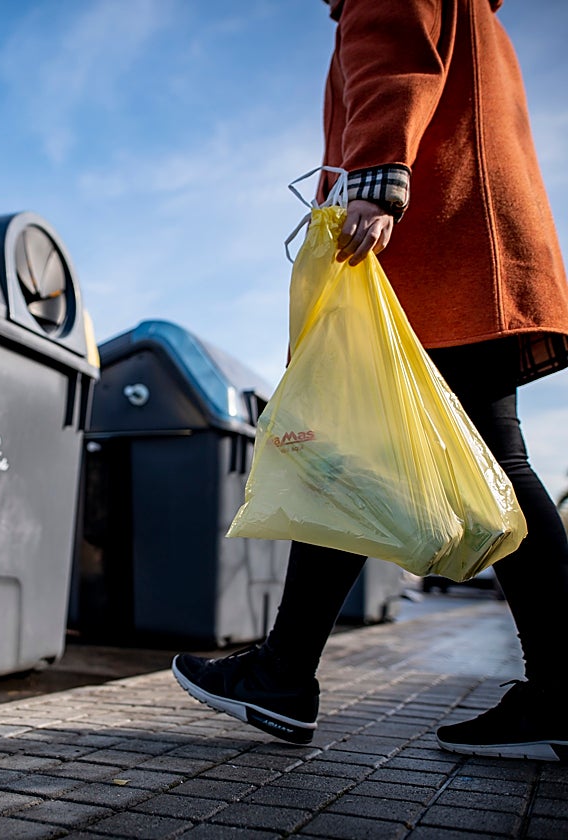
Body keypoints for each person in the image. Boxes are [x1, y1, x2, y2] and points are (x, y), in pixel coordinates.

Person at [173, 0, 568, 761]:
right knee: (380, 455)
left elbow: (392, 45)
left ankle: (288, 675)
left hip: (439, 244)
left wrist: (378, 174)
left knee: (433, 458)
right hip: (471, 235)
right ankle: (286, 675)